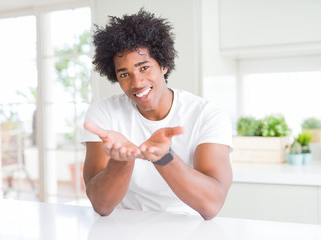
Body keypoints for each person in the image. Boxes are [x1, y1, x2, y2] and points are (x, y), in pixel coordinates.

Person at [81, 9, 233, 220]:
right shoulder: (104, 114)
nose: (136, 82)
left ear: (163, 64)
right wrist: (121, 160)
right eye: (124, 74)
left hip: (189, 227)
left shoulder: (207, 115)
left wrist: (164, 158)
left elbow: (211, 204)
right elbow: (101, 205)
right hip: (124, 224)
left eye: (144, 67)